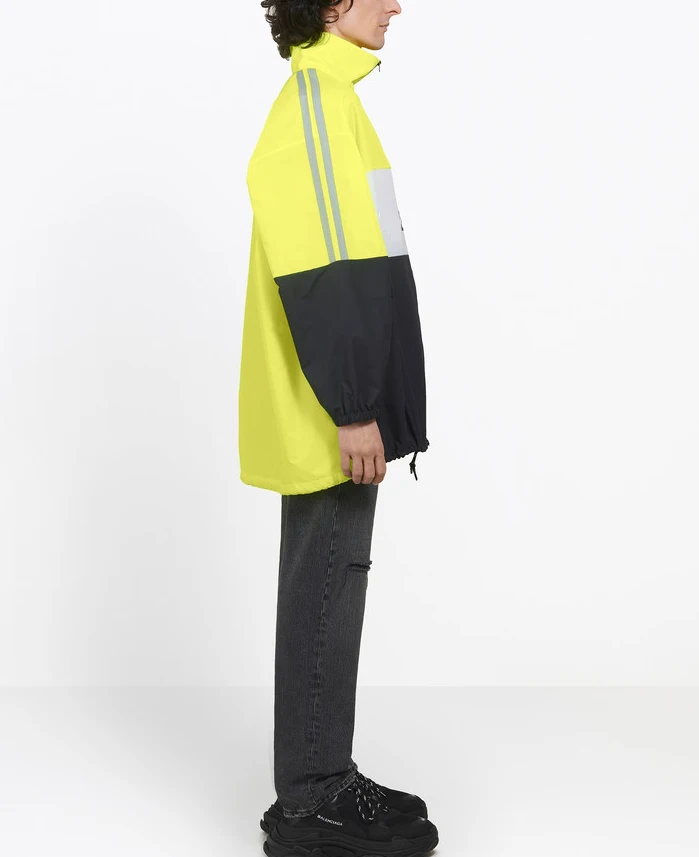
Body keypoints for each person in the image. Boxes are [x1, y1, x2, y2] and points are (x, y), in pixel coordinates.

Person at [237, 1, 435, 854]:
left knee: (333, 579)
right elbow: (321, 268)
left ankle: (322, 779)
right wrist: (354, 405)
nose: (396, 5)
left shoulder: (335, 101)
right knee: (325, 584)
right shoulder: (316, 105)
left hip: (342, 405)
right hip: (332, 410)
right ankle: (311, 799)